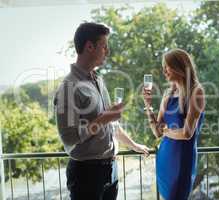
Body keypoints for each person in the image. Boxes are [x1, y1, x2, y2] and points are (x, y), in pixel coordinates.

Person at [54, 22, 149, 200]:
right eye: (104, 46)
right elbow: (69, 138)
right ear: (89, 46)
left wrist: (134, 145)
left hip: (110, 170)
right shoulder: (68, 87)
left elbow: (111, 124)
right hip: (87, 174)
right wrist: (103, 119)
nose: (108, 51)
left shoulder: (98, 81)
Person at [143, 48, 205, 200]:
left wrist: (166, 131)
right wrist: (148, 106)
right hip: (165, 157)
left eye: (167, 67)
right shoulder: (168, 94)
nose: (164, 71)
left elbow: (187, 133)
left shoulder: (196, 92)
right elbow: (157, 132)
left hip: (182, 158)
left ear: (179, 67)